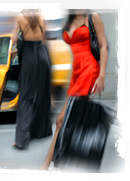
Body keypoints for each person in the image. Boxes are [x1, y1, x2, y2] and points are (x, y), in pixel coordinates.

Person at [40, 9, 108, 170]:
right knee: (80, 115)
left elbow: (103, 46)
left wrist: (102, 75)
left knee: (61, 120)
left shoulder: (92, 17)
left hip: (88, 71)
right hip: (76, 73)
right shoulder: (69, 19)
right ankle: (72, 160)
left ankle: (45, 167)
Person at [12, 9, 52, 149]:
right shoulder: (41, 17)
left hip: (29, 58)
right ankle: (40, 132)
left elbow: (14, 39)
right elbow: (44, 40)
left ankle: (22, 140)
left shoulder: (20, 17)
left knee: (26, 97)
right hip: (42, 56)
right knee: (41, 95)